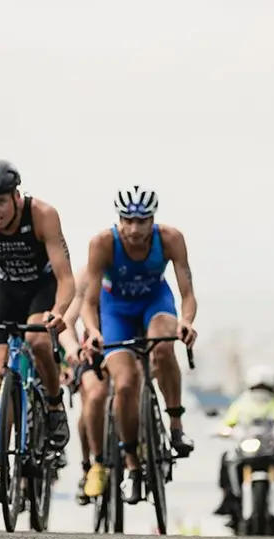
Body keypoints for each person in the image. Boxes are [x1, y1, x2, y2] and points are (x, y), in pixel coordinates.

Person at [80, 186, 198, 504]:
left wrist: (186, 321)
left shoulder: (171, 239)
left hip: (154, 302)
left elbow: (187, 293)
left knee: (163, 347)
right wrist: (92, 331)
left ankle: (175, 423)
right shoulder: (103, 243)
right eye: (127, 221)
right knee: (127, 383)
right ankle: (132, 465)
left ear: (152, 221)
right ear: (119, 220)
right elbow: (88, 302)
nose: (134, 229)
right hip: (115, 309)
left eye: (142, 221)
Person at [0, 160, 76, 503]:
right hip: (6, 292)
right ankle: (1, 465)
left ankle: (55, 405)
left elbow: (65, 278)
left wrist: (59, 313)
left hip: (42, 289)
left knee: (37, 340)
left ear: (17, 197)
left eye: (0, 201)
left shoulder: (42, 215)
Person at [213, 365, 274, 528]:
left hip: (272, 446)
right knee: (227, 459)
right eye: (257, 387)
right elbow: (227, 422)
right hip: (247, 446)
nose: (260, 391)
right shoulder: (241, 404)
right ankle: (228, 499)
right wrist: (223, 430)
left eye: (264, 387)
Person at [58, 267, 108, 505]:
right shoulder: (87, 275)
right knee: (93, 396)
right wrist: (72, 349)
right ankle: (89, 465)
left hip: (127, 344)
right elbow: (67, 322)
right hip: (91, 351)